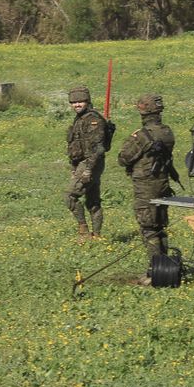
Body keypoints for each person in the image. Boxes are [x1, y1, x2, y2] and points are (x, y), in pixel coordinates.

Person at [117, 93, 176, 278]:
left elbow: (124, 158)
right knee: (160, 226)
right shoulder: (167, 132)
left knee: (148, 229)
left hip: (145, 186)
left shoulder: (141, 135)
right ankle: (165, 268)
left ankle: (155, 272)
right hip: (163, 184)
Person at [64, 85, 107, 239]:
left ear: (87, 101)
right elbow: (75, 145)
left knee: (70, 196)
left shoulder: (93, 120)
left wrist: (88, 169)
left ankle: (83, 230)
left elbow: (97, 149)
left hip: (91, 163)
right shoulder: (79, 119)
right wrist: (73, 168)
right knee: (93, 201)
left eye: (80, 102)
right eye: (74, 102)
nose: (77, 105)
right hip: (82, 163)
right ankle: (96, 235)